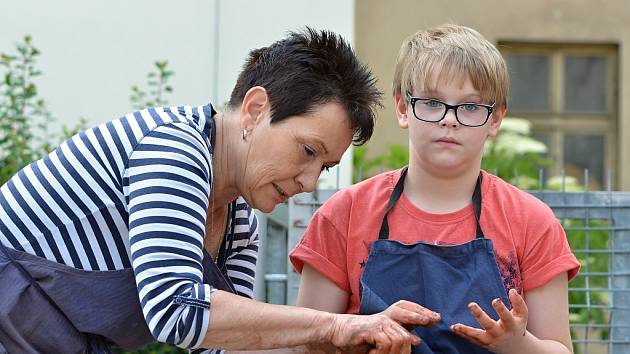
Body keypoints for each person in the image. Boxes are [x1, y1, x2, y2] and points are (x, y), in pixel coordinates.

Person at [0, 28, 434, 354]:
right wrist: (332, 326)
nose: (309, 181)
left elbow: (222, 345)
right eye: (307, 151)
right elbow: (176, 310)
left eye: (325, 166)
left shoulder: (240, 223)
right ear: (256, 109)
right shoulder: (174, 146)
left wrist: (331, 346)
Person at [290, 24, 581, 354]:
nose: (450, 120)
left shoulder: (532, 222)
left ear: (495, 120)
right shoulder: (343, 215)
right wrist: (363, 336)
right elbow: (306, 345)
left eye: (470, 107)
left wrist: (519, 344)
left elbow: (560, 348)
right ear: (402, 108)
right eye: (431, 102)